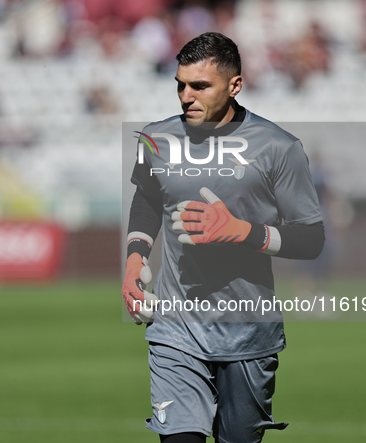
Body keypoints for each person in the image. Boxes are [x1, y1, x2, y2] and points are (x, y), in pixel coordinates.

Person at [122, 32, 325, 443]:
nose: (185, 95)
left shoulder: (278, 148)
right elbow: (146, 200)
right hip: (175, 328)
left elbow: (311, 238)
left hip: (248, 331)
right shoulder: (155, 140)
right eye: (180, 84)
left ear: (234, 85)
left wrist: (242, 232)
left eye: (200, 86)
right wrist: (134, 259)